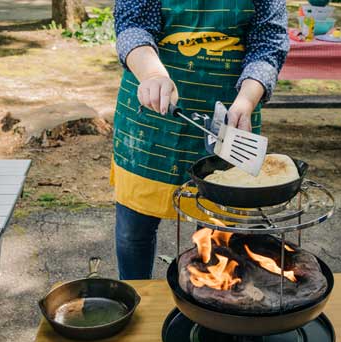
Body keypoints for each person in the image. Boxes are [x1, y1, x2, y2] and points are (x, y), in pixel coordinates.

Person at [112, 0, 289, 279]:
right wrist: (153, 75)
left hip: (232, 112)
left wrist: (246, 100)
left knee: (218, 235)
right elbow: (133, 25)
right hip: (152, 112)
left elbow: (268, 43)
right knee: (133, 231)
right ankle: (137, 300)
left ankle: (205, 306)